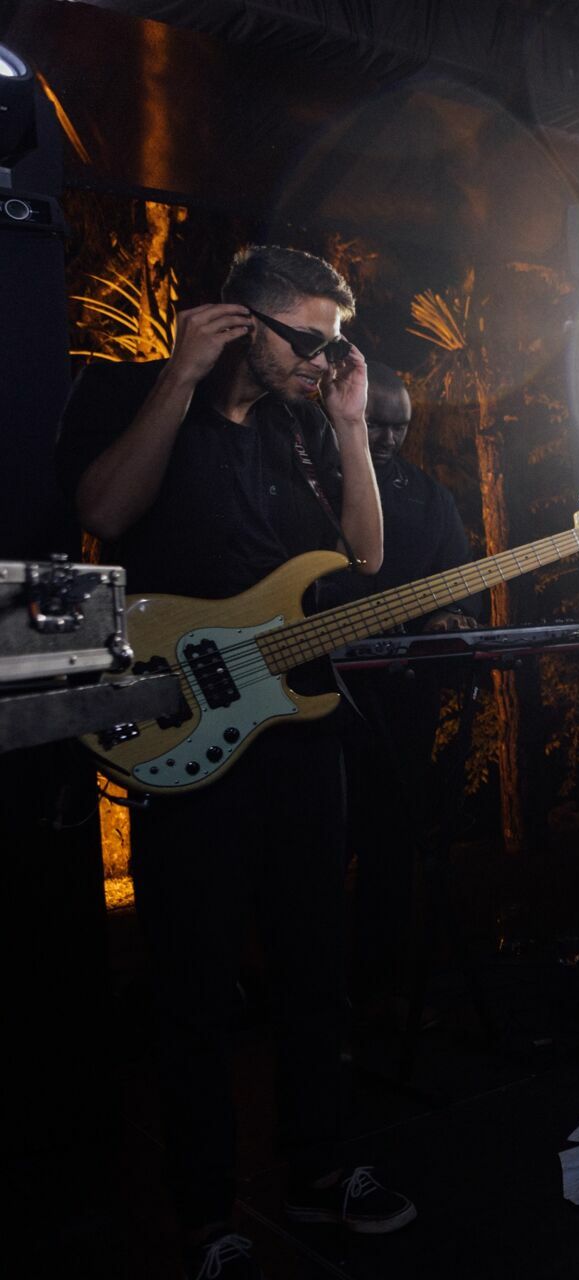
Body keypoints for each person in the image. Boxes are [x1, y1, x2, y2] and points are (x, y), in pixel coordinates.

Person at [55, 245, 415, 1278]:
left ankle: (321, 1166)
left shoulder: (306, 426)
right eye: (307, 341)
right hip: (190, 730)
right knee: (196, 985)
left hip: (300, 730)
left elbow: (365, 562)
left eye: (335, 344)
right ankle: (205, 1212)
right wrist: (177, 378)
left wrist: (351, 427)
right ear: (241, 322)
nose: (322, 361)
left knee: (314, 965)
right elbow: (104, 512)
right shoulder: (134, 391)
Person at [333, 362, 481, 1015]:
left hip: (400, 702)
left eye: (400, 427)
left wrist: (452, 618)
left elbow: (460, 586)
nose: (388, 438)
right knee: (314, 848)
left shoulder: (429, 498)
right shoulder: (310, 479)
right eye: (376, 423)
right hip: (314, 699)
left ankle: (380, 989)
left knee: (392, 846)